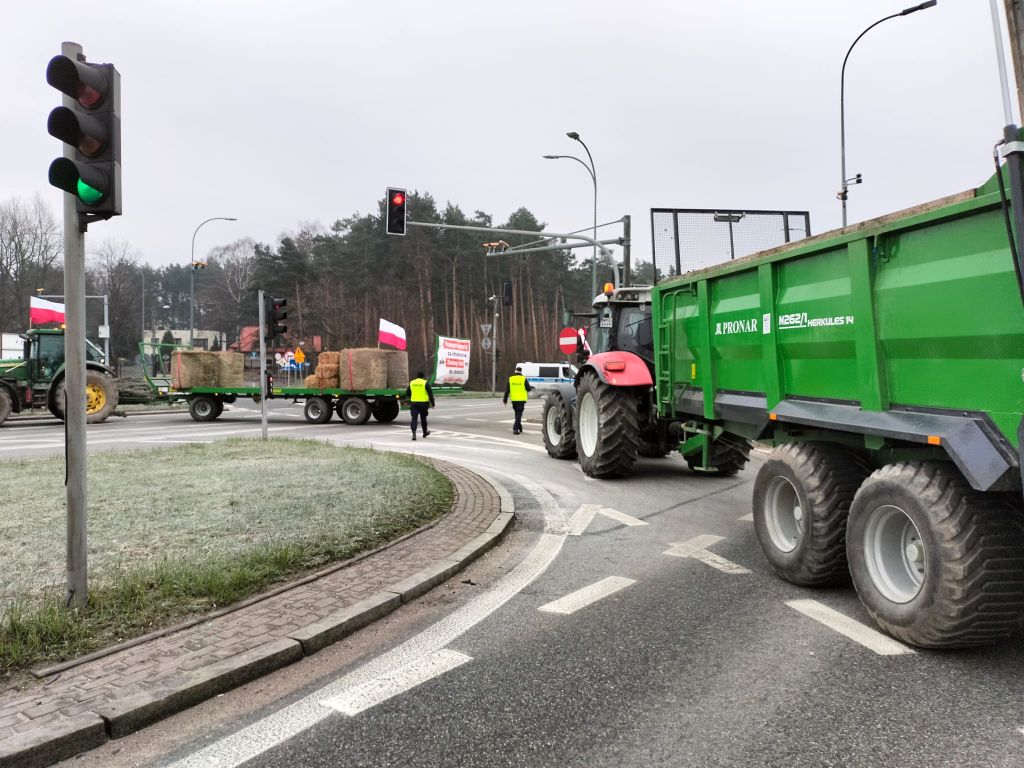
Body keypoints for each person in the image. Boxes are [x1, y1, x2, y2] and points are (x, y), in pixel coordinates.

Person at [404, 371, 435, 440]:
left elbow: (407, 393)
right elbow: (430, 394)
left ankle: (414, 434)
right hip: (423, 404)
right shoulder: (425, 383)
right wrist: (433, 403)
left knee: (414, 419)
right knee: (423, 419)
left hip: (414, 403)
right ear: (423, 377)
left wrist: (412, 397)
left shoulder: (412, 382)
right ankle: (424, 432)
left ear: (417, 376)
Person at [503, 365, 532, 434]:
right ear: (521, 372)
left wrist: (505, 400)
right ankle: (515, 429)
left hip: (514, 400)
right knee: (519, 415)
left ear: (515, 371)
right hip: (521, 400)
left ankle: (520, 427)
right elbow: (528, 389)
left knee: (517, 414)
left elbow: (507, 390)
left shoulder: (511, 379)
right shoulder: (523, 379)